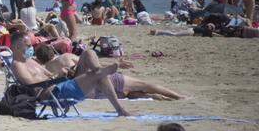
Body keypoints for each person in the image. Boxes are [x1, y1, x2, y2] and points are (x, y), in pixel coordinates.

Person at [8, 32, 130, 116]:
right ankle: (107, 74)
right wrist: (57, 77)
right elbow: (32, 86)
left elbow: (49, 75)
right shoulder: (18, 65)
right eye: (28, 45)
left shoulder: (29, 61)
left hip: (61, 85)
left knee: (88, 53)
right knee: (98, 75)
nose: (32, 48)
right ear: (18, 47)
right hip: (53, 93)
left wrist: (63, 72)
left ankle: (101, 69)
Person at [32, 44, 187, 100]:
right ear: (52, 51)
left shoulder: (46, 70)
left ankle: (152, 97)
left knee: (127, 94)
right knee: (145, 84)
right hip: (101, 78)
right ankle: (178, 96)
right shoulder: (66, 56)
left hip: (89, 91)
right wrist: (112, 66)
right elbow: (92, 64)